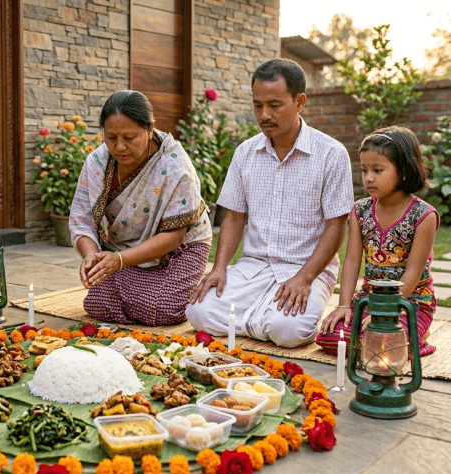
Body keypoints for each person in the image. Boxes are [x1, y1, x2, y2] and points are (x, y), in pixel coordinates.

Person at [185, 59, 353, 348]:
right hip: (253, 267)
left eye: (275, 105)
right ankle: (261, 320)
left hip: (306, 268)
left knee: (289, 330)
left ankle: (258, 322)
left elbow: (336, 227)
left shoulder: (332, 154)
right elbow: (234, 217)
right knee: (197, 311)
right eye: (257, 105)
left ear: (299, 102)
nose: (264, 115)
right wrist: (219, 267)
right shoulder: (244, 153)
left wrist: (305, 278)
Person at [69, 90, 212, 326]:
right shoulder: (97, 162)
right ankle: (128, 285)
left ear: (149, 129)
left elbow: (175, 237)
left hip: (180, 249)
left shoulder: (176, 167)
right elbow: (81, 219)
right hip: (120, 251)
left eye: (129, 137)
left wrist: (120, 262)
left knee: (164, 308)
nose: (120, 147)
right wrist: (92, 257)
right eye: (111, 137)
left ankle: (125, 285)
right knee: (96, 302)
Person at [317, 126, 437, 356]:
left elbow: (412, 272)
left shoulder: (424, 216)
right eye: (364, 170)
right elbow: (352, 261)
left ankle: (417, 336)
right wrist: (343, 306)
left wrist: (387, 311)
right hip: (368, 300)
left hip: (409, 302)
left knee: (388, 345)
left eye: (378, 170)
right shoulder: (360, 211)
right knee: (330, 337)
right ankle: (382, 341)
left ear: (403, 171)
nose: (368, 178)